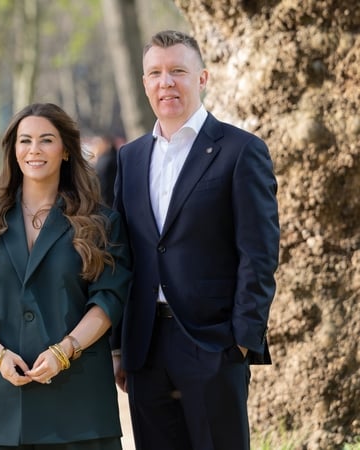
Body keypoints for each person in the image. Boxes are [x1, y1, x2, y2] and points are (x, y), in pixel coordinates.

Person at [111, 30, 280, 450]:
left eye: (177, 71)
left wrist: (242, 340)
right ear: (144, 82)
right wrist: (118, 346)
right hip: (145, 348)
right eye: (155, 73)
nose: (165, 82)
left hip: (214, 344)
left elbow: (259, 254)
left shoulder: (240, 151)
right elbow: (121, 255)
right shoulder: (130, 158)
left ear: (202, 78)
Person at [0, 103, 132, 450]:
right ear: (13, 150)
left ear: (65, 150)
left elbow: (109, 300)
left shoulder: (102, 222)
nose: (34, 149)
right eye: (25, 140)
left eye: (46, 140)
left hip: (78, 406)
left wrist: (65, 351)